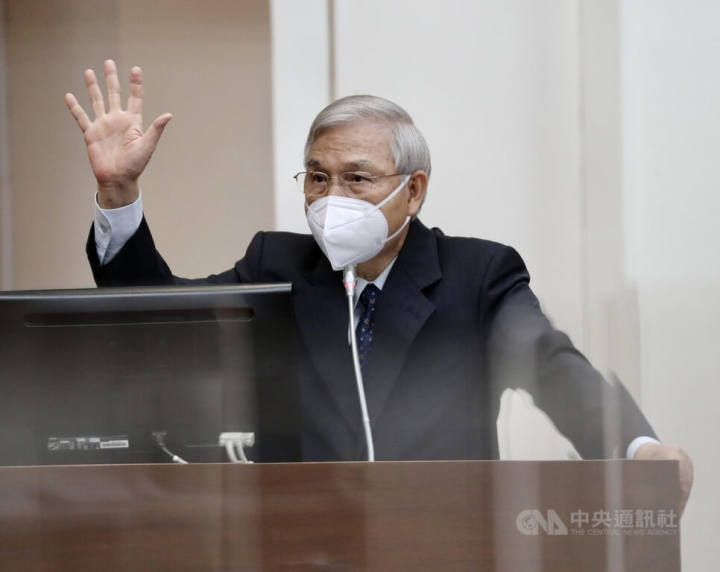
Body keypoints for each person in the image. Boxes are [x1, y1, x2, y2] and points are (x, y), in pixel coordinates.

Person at [65, 60, 693, 512]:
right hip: (299, 543)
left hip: (443, 542)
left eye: (357, 178)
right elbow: (163, 321)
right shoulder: (276, 266)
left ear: (412, 191)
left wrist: (637, 448)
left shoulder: (478, 274)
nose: (330, 197)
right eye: (317, 177)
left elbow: (550, 364)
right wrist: (118, 193)